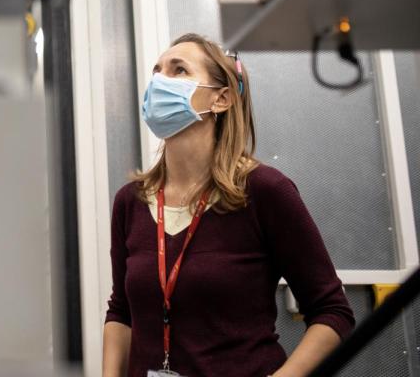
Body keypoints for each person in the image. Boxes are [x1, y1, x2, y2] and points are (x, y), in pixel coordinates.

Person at [103, 33, 354, 377]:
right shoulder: (130, 201)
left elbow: (332, 312)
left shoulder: (266, 191)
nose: (159, 81)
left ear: (220, 99)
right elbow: (121, 313)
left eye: (179, 71)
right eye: (157, 70)